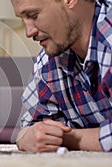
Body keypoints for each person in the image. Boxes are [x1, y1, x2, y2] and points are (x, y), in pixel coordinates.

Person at [10, 0, 112, 152]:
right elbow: (29, 129)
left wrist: (70, 139)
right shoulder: (47, 63)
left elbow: (60, 137)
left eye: (33, 15)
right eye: (22, 19)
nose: (28, 32)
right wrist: (29, 136)